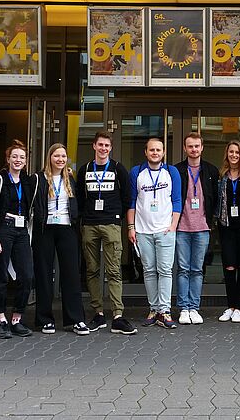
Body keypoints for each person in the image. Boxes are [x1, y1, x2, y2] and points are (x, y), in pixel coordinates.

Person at [76, 132, 137, 335]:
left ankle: (117, 315)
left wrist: (117, 216)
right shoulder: (85, 169)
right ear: (94, 146)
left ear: (111, 148)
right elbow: (79, 196)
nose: (103, 148)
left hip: (111, 223)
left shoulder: (118, 168)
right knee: (92, 270)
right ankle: (99, 313)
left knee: (114, 270)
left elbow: (127, 196)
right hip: (90, 224)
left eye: (106, 146)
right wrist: (84, 217)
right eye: (100, 145)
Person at [33, 143, 89, 336]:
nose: (60, 159)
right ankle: (45, 320)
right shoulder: (39, 179)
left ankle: (75, 319)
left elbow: (78, 203)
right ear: (49, 158)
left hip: (67, 228)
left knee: (71, 274)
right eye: (56, 156)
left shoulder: (70, 179)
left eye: (63, 156)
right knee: (44, 274)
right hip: (45, 229)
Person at [127, 138, 182, 329]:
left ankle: (164, 311)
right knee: (149, 271)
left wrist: (173, 225)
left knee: (165, 271)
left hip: (165, 229)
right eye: (152, 150)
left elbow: (177, 200)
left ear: (163, 152)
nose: (155, 153)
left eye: (158, 150)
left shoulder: (171, 172)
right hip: (143, 230)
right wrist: (131, 227)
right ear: (146, 152)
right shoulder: (136, 172)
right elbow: (132, 201)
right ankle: (153, 309)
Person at [0, 140, 40, 339]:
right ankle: (1, 319)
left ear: (26, 161)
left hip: (22, 230)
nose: (18, 160)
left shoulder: (28, 182)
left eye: (22, 157)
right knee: (0, 275)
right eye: (15, 157)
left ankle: (17, 318)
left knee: (27, 275)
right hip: (4, 228)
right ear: (8, 159)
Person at [174, 133, 220, 325]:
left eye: (197, 146)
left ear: (202, 148)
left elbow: (216, 198)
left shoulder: (211, 170)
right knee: (183, 269)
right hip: (182, 228)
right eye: (190, 146)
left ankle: (194, 307)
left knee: (197, 270)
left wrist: (212, 221)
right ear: (185, 148)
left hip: (202, 228)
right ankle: (184, 308)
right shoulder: (176, 170)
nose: (194, 149)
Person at [215, 140, 240, 323]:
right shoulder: (221, 175)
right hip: (226, 226)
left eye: (237, 152)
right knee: (229, 266)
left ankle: (238, 308)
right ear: (227, 154)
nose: (234, 155)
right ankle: (230, 306)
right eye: (231, 152)